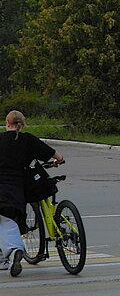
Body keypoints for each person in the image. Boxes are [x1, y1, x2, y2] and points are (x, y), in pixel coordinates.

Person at [1, 110, 63, 277]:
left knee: (4, 220)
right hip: (18, 188)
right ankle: (11, 252)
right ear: (21, 124)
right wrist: (59, 159)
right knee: (9, 218)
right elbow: (52, 153)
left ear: (7, 123)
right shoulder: (28, 139)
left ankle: (13, 252)